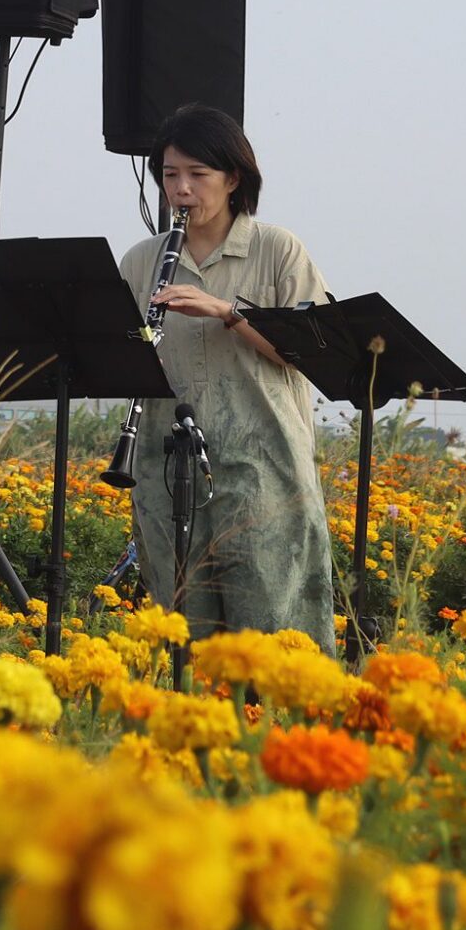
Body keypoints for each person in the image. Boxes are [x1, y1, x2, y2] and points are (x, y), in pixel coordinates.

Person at [120, 104, 336, 651]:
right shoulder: (143, 260)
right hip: (165, 470)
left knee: (271, 633)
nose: (182, 189)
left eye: (198, 174)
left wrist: (226, 312)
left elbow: (316, 352)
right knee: (182, 635)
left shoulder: (276, 249)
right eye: (170, 175)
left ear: (234, 178)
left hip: (261, 471)